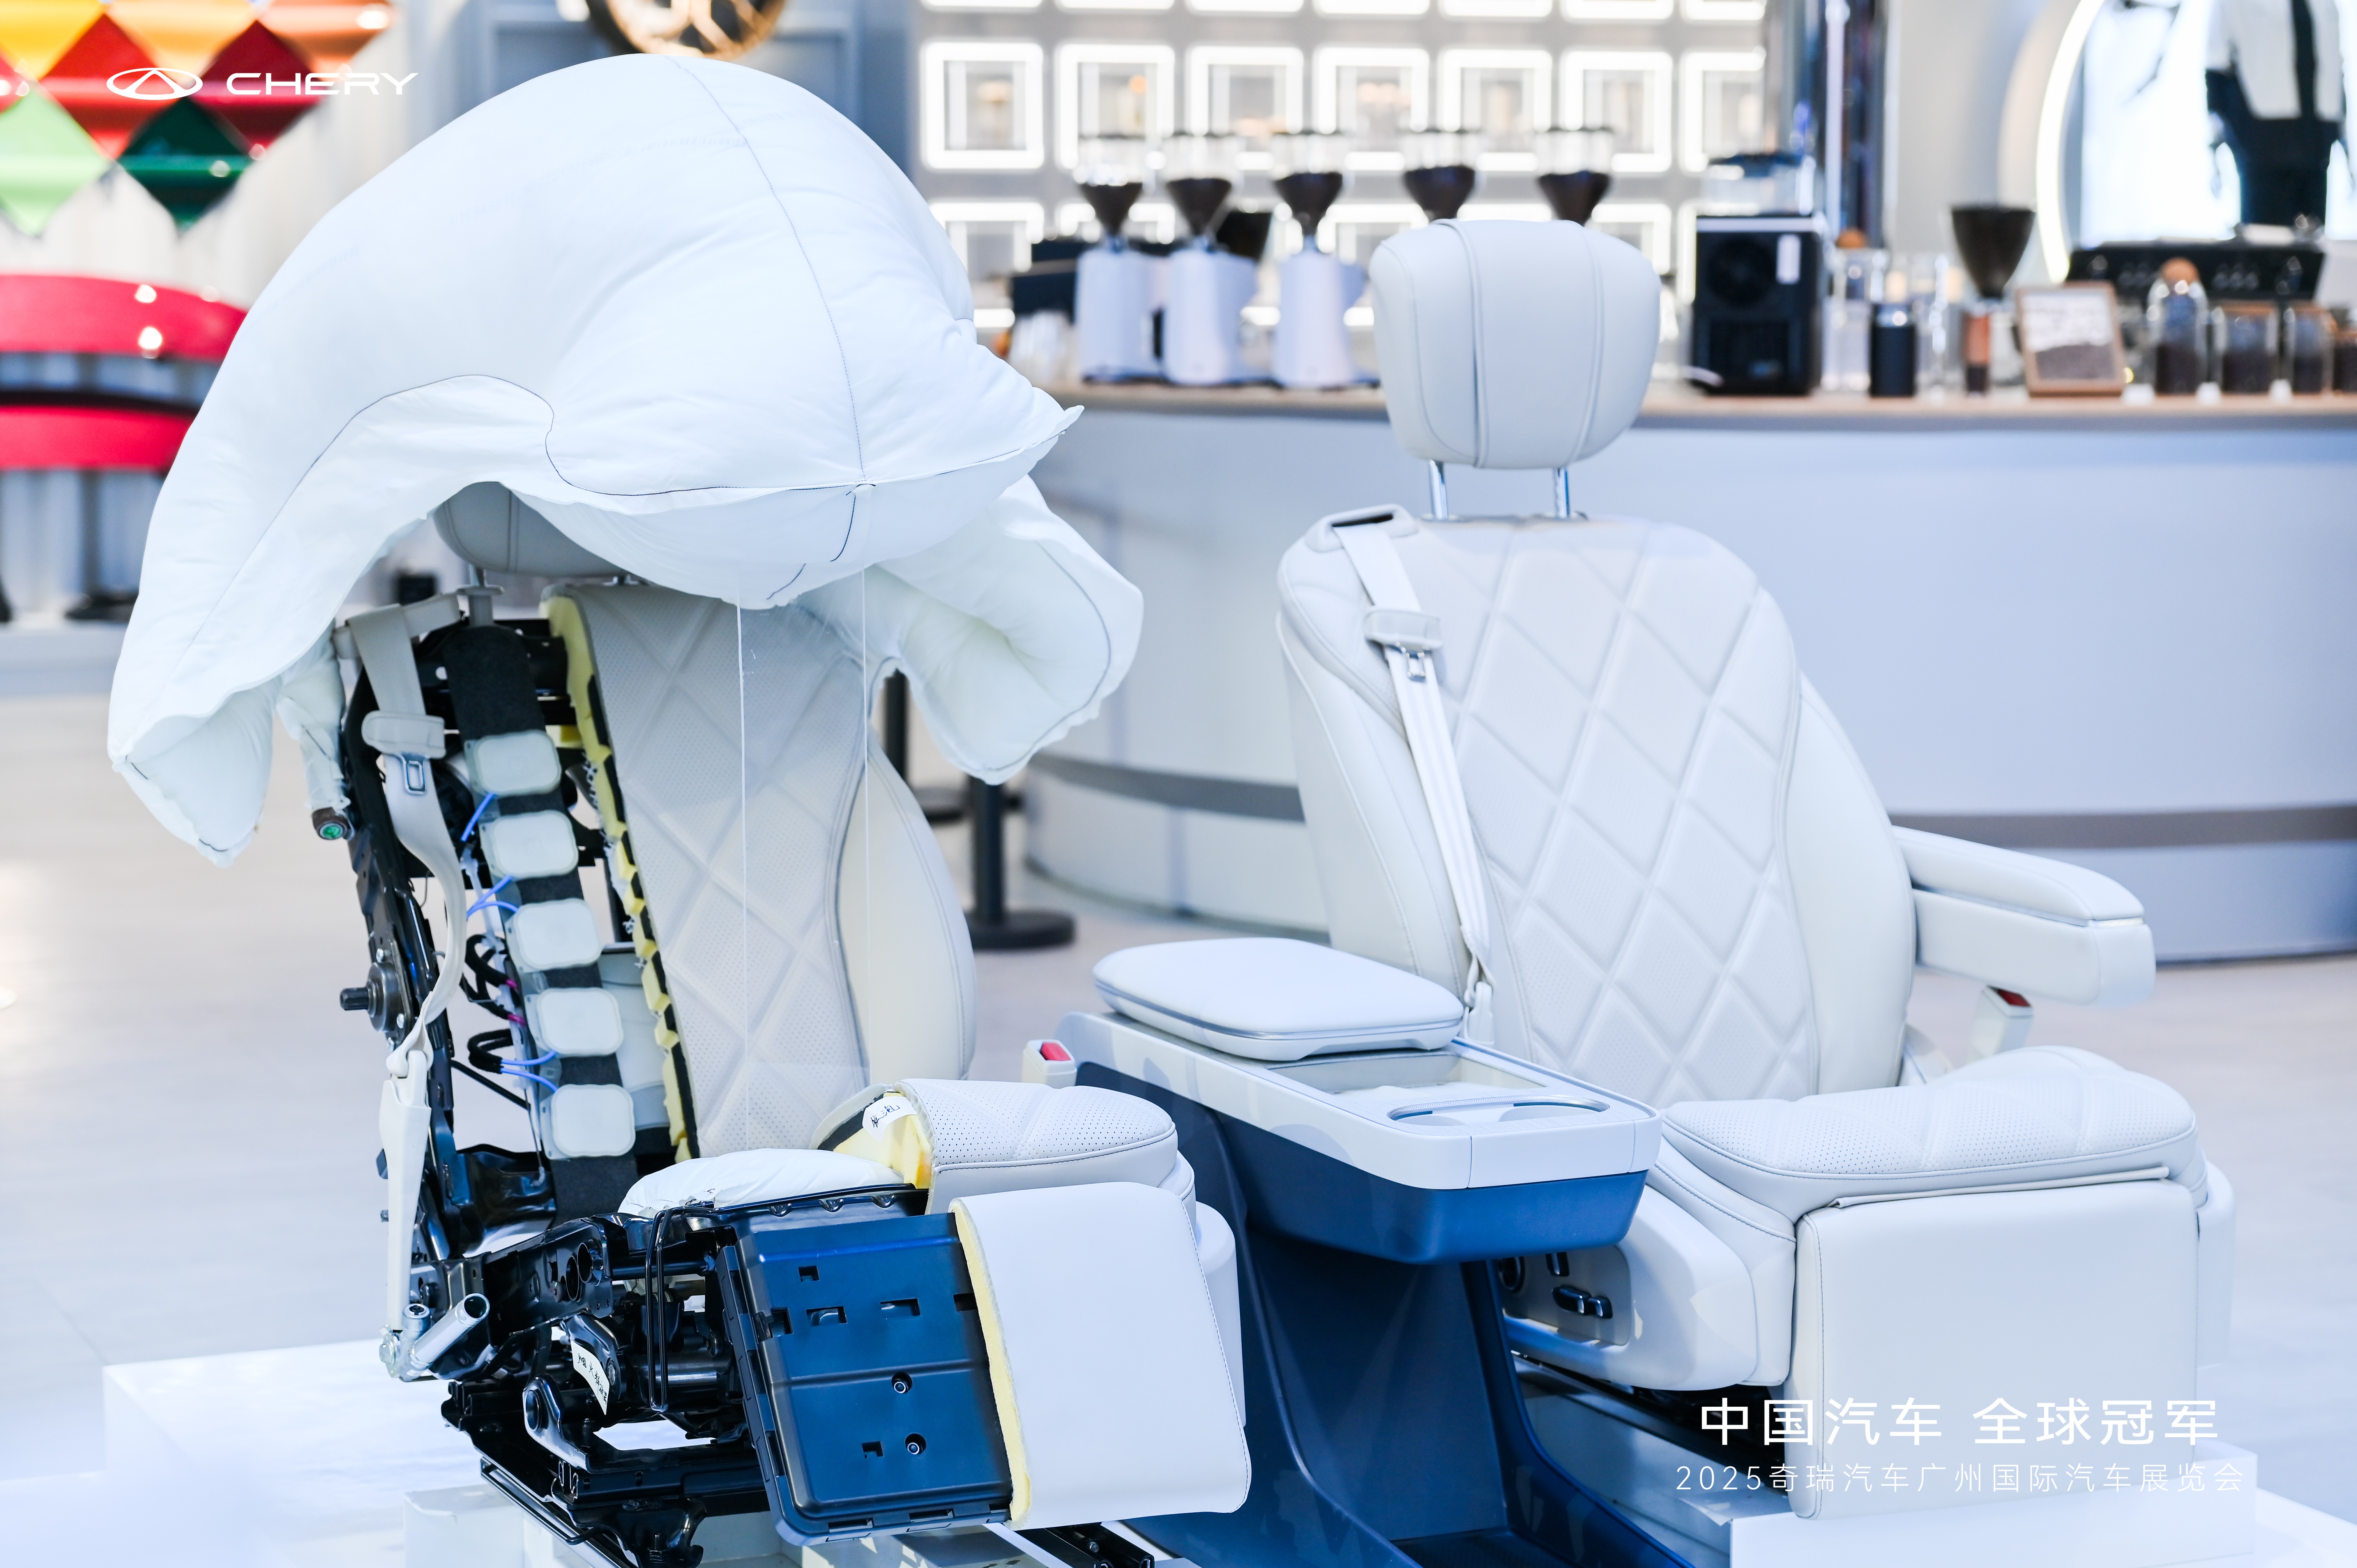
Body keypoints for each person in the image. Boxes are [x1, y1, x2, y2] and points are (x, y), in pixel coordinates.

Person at [2207, 0, 2347, 227]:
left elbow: (2334, 65)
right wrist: (2219, 137)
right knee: (2266, 236)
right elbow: (2217, 67)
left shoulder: (2326, 4)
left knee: (2313, 236)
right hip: (2263, 137)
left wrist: (2343, 135)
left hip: (2317, 139)